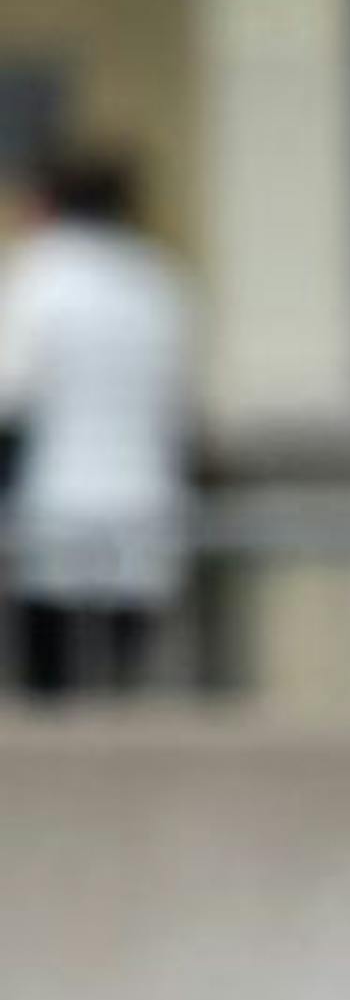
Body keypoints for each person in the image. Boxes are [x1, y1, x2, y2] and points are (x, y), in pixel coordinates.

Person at [0, 148, 193, 701]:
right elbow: (179, 404)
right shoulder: (159, 280)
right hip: (146, 502)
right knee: (120, 682)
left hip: (53, 501)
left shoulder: (38, 277)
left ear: (46, 202)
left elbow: (13, 394)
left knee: (52, 687)